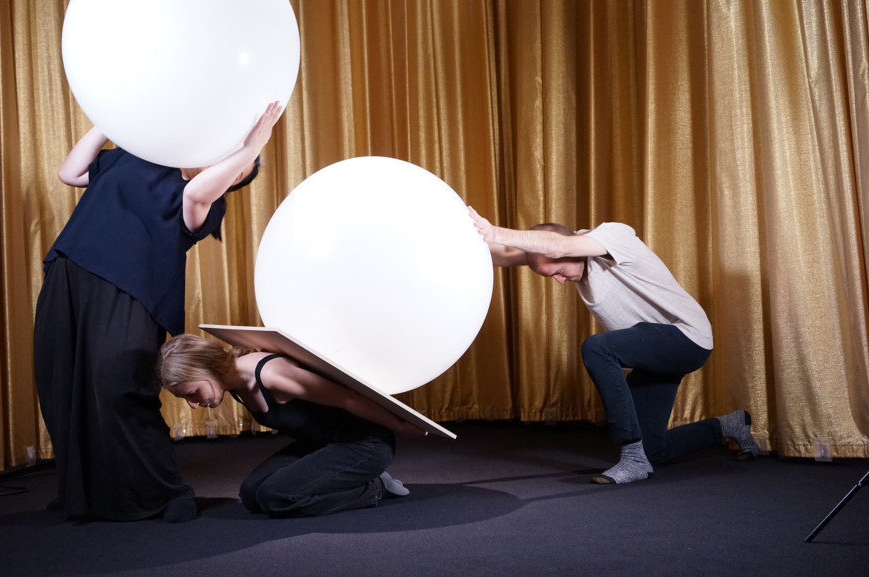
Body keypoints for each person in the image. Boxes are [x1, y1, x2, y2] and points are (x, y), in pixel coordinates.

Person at [33, 102, 284, 522]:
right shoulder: (138, 155)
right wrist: (112, 121)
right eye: (235, 163)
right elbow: (71, 173)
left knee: (121, 387)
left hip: (132, 289)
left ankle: (165, 494)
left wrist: (254, 146)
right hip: (71, 270)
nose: (234, 171)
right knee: (61, 383)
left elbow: (197, 190)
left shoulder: (203, 204)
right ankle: (88, 497)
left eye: (240, 174)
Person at [467, 207, 758, 484]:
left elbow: (557, 246)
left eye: (557, 272)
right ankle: (730, 426)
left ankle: (631, 455)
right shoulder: (560, 254)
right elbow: (504, 256)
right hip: (653, 351)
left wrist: (494, 231)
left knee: (598, 347)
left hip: (687, 338)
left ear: (570, 243)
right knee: (654, 450)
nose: (558, 281)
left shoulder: (611, 237)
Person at [156, 333, 423, 518]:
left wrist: (399, 425)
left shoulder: (271, 375)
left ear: (207, 369)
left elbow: (348, 398)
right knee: (251, 495)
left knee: (277, 498)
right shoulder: (232, 383)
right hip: (324, 443)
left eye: (192, 393)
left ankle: (374, 488)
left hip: (365, 444)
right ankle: (343, 478)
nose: (192, 404)